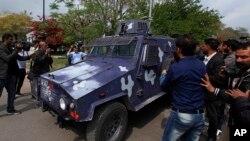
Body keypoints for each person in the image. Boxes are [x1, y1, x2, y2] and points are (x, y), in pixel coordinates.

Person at [160, 34, 206, 141]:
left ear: (178, 49)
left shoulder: (175, 67)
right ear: (195, 48)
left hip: (182, 115)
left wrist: (163, 74)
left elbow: (163, 86)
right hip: (199, 115)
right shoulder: (201, 65)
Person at [201, 42, 250, 140]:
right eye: (236, 57)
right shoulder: (242, 70)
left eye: (244, 57)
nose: (238, 60)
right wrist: (226, 76)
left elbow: (235, 95)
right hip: (234, 118)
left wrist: (214, 90)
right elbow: (234, 92)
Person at [202, 38, 226, 141]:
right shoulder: (205, 57)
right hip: (202, 91)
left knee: (212, 116)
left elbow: (218, 78)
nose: (203, 47)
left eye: (204, 45)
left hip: (212, 93)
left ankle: (212, 136)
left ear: (209, 46)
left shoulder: (218, 59)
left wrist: (204, 76)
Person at [0, 33, 20, 114]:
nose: (12, 41)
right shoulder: (0, 48)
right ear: (5, 39)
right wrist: (16, 50)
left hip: (10, 75)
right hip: (1, 75)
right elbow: (7, 59)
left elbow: (17, 56)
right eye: (10, 39)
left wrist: (30, 57)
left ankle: (10, 109)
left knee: (12, 92)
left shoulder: (9, 48)